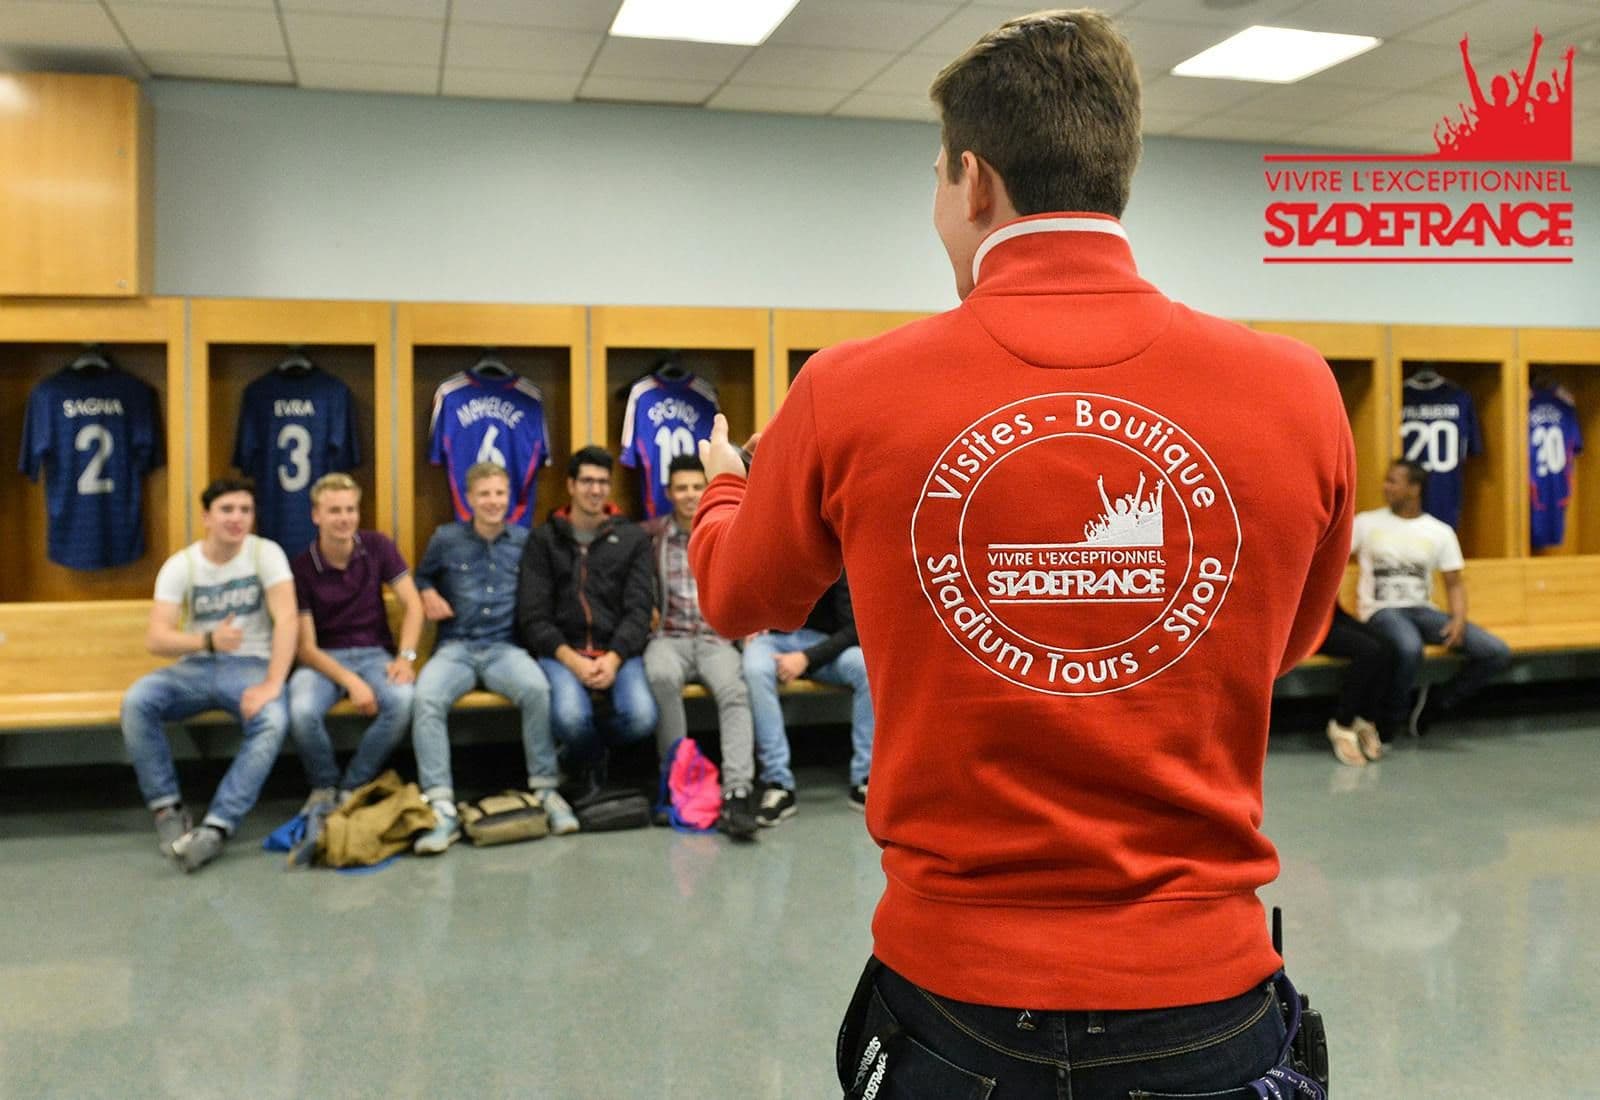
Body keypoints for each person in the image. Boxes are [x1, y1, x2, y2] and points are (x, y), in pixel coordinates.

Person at [687, 11, 1352, 1098]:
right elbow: (1282, 642)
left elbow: (731, 591)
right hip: (1206, 997)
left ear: (972, 179)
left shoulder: (848, 389)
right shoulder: (1296, 389)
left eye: (936, 181)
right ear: (1116, 167)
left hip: (954, 1005)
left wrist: (727, 476)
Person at [120, 476, 297, 873]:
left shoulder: (265, 554)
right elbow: (157, 638)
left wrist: (273, 682)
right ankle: (167, 810)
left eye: (245, 511)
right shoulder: (181, 565)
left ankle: (218, 826)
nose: (237, 519)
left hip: (251, 666)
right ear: (206, 517)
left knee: (273, 719)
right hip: (197, 665)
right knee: (137, 701)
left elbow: (287, 619)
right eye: (227, 510)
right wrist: (209, 641)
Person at [410, 461, 576, 854]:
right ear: (469, 499)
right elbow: (421, 576)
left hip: (505, 648)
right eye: (484, 494)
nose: (492, 501)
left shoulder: (526, 542)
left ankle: (546, 791)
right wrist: (427, 591)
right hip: (457, 648)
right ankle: (440, 803)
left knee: (537, 688)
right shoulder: (445, 539)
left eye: (499, 493)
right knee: (426, 698)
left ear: (510, 498)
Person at [285, 473, 424, 860]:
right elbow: (306, 648)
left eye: (350, 509)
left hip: (373, 653)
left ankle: (353, 786)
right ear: (316, 515)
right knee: (301, 710)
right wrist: (350, 682)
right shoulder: (301, 567)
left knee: (401, 700)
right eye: (334, 511)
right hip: (324, 660)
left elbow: (413, 605)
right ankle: (324, 787)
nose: (344, 518)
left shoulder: (377, 547)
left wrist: (406, 657)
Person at [517, 446, 657, 796]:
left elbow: (640, 610)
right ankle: (593, 759)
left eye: (602, 483)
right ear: (570, 485)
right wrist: (573, 661)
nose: (595, 490)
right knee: (569, 718)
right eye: (587, 482)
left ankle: (582, 755)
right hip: (563, 653)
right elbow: (533, 617)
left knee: (641, 717)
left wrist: (614, 658)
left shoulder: (632, 539)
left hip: (618, 652)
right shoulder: (543, 539)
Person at [642, 455, 759, 839]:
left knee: (734, 691)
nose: (691, 495)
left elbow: (750, 574)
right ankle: (677, 779)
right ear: (669, 493)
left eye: (697, 486)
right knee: (660, 676)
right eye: (682, 488)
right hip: (669, 637)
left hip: (715, 636)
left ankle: (738, 791)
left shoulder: (728, 526)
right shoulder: (651, 535)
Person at [1352, 460, 1511, 738]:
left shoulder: (1439, 532)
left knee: (1494, 652)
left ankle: (1434, 704)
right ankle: (1391, 721)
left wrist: (1459, 620)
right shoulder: (1365, 523)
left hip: (1423, 611)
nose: (1385, 487)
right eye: (1386, 480)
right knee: (1409, 647)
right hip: (1381, 610)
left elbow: (1454, 584)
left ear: (1414, 489)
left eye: (1393, 481)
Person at [741, 573, 871, 822]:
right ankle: (778, 782)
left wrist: (807, 658)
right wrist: (750, 622)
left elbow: (854, 628)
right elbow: (745, 593)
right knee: (755, 670)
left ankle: (865, 779)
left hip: (823, 643)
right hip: (773, 641)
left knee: (865, 667)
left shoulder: (838, 558)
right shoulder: (771, 551)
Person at [1315, 604, 1393, 766]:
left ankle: (1365, 719)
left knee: (1388, 647)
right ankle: (1342, 724)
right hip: (1303, 623)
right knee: (1369, 650)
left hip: (1328, 612)